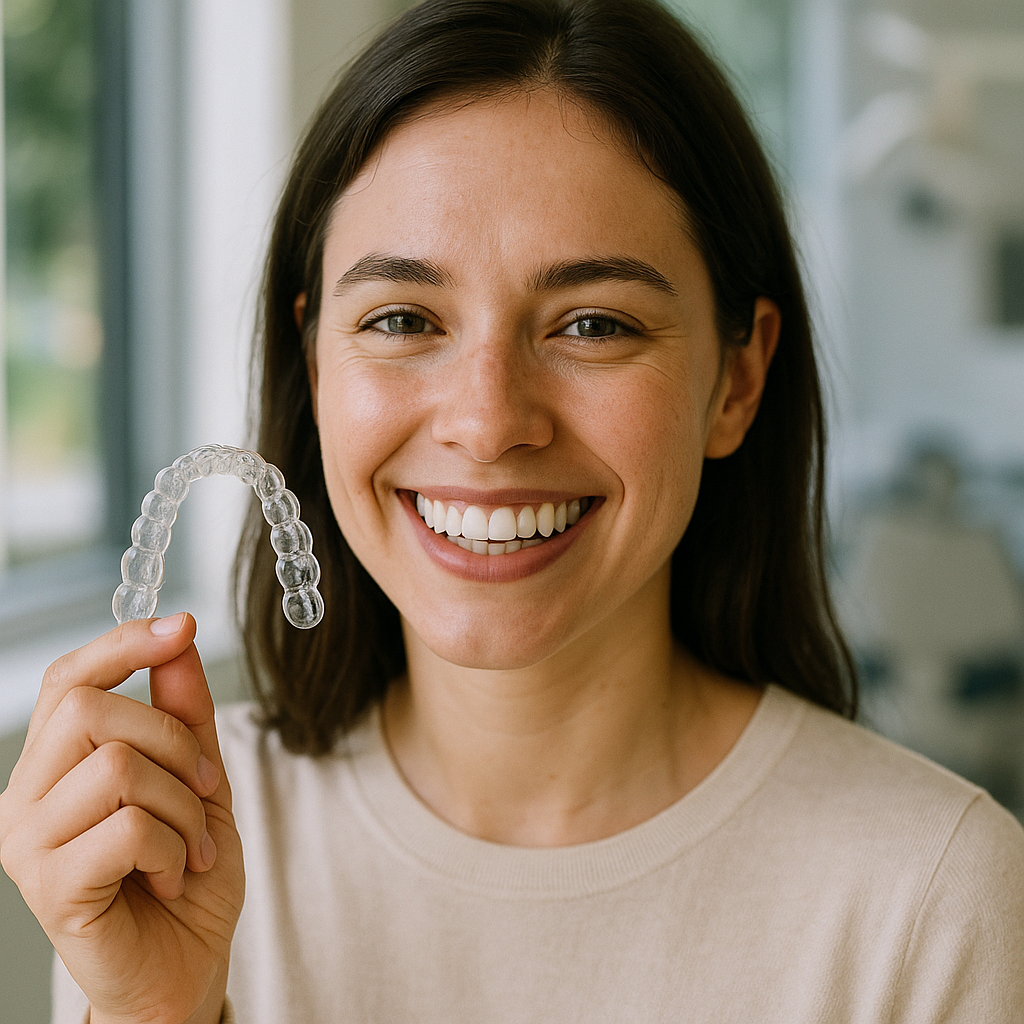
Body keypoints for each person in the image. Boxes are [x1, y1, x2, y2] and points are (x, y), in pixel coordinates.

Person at [2, 0, 1022, 1021]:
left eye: (594, 324)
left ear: (737, 380)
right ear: (314, 364)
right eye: (402, 319)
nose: (488, 424)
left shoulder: (938, 900)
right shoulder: (163, 841)